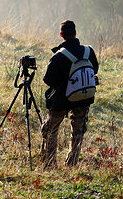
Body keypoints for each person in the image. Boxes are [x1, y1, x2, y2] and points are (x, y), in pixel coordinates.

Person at [40, 19, 99, 167]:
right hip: (83, 97)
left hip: (61, 99)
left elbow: (48, 79)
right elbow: (95, 70)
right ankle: (72, 163)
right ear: (75, 33)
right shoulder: (88, 51)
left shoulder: (59, 56)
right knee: (78, 130)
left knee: (50, 129)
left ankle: (49, 162)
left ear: (61, 35)